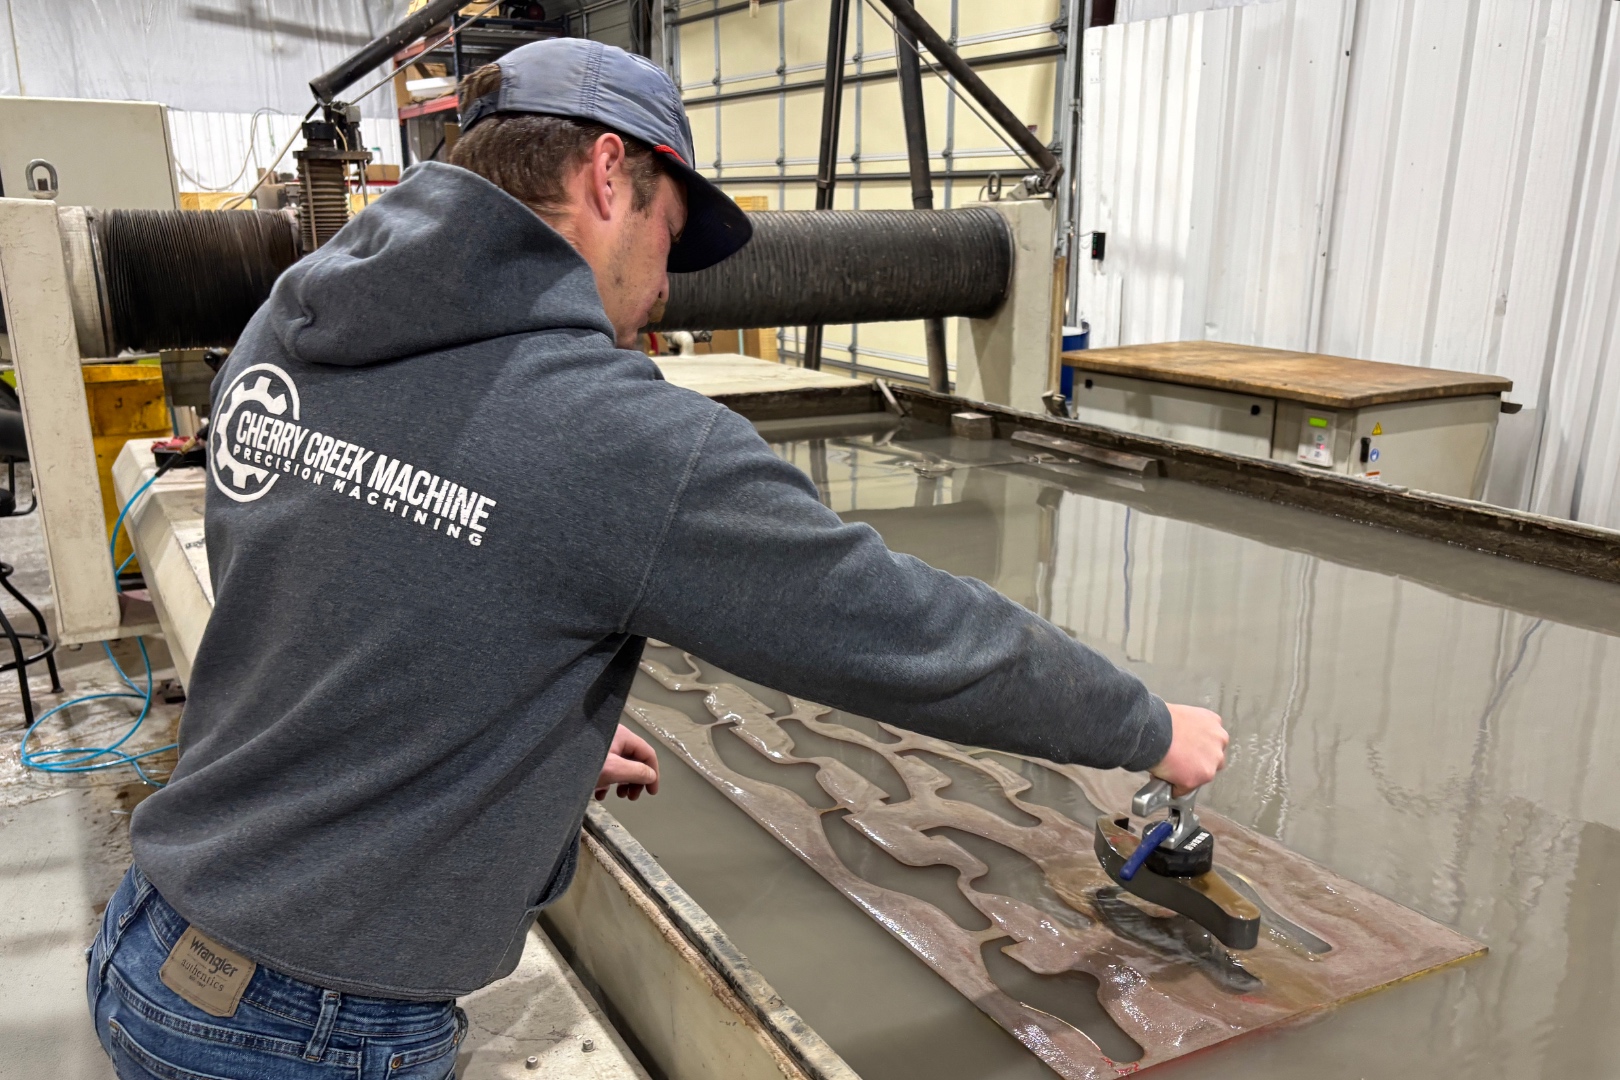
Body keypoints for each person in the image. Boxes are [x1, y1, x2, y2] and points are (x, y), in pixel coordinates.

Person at [88, 37, 1227, 1080]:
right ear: (605, 175)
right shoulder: (616, 436)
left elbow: (308, 574)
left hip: (152, 933)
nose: (668, 288)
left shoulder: (295, 318)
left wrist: (508, 721)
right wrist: (1144, 726)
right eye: (669, 237)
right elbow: (911, 637)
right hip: (312, 1032)